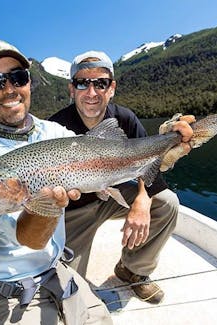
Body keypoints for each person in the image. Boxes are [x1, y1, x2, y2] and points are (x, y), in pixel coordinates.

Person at [0, 39, 112, 324]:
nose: (10, 88)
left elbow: (96, 143)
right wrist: (48, 206)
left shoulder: (52, 132)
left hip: (52, 268)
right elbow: (30, 238)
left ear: (28, 83)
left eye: (18, 77)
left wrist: (168, 141)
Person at [49, 50, 195, 304]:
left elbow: (149, 163)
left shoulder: (124, 118)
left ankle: (132, 269)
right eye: (83, 83)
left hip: (112, 197)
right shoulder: (55, 128)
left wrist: (143, 200)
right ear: (71, 90)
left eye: (100, 83)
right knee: (69, 295)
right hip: (72, 212)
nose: (92, 92)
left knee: (167, 203)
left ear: (111, 88)